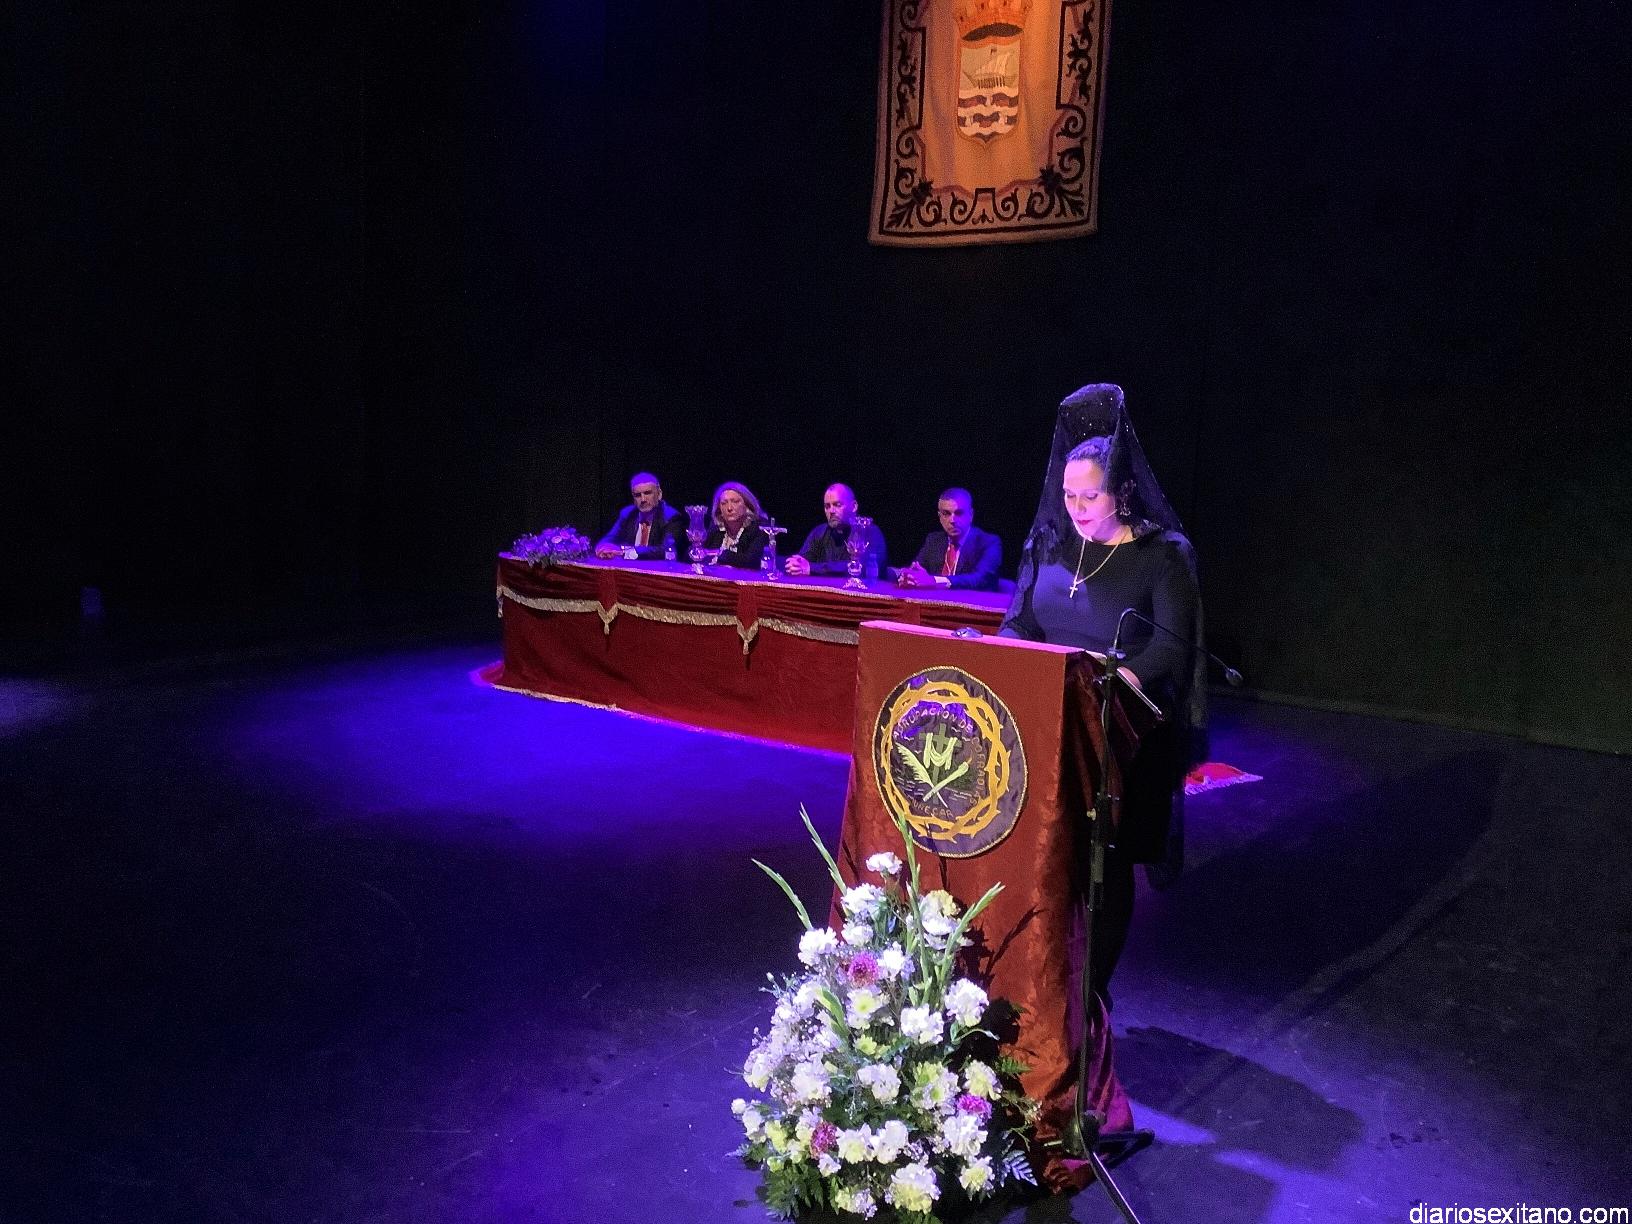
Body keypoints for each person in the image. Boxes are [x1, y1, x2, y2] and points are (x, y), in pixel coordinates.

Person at [999, 383, 1207, 1002]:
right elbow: (1018, 623)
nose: (1077, 508)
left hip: (1123, 728)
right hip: (1047, 721)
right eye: (1068, 495)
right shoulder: (1048, 544)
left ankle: (1091, 992)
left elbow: (1170, 647)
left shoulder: (1162, 555)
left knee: (1104, 862)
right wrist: (1011, 658)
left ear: (1123, 491)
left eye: (1090, 496)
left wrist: (1109, 687)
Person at [894, 487, 1003, 591]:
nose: (952, 520)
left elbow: (980, 579)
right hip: (934, 602)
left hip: (972, 602)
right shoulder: (933, 540)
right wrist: (910, 577)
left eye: (959, 513)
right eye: (946, 514)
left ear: (971, 515)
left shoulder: (989, 543)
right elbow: (917, 569)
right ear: (940, 516)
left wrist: (934, 581)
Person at [784, 483, 888, 578]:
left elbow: (863, 567)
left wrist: (813, 568)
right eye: (827, 506)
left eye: (837, 505)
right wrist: (795, 565)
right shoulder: (819, 532)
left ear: (854, 506)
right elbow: (802, 562)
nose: (831, 511)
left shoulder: (870, 532)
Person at [595, 472, 686, 560]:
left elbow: (667, 551)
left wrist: (625, 551)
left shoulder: (671, 517)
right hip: (627, 568)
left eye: (647, 493)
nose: (643, 499)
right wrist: (604, 548)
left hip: (657, 569)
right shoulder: (627, 514)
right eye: (638, 495)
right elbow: (609, 539)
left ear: (659, 494)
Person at [704, 481, 769, 569]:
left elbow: (751, 561)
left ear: (747, 505)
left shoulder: (760, 528)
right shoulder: (716, 529)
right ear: (719, 509)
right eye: (724, 503)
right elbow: (696, 554)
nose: (729, 508)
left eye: (735, 502)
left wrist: (719, 553)